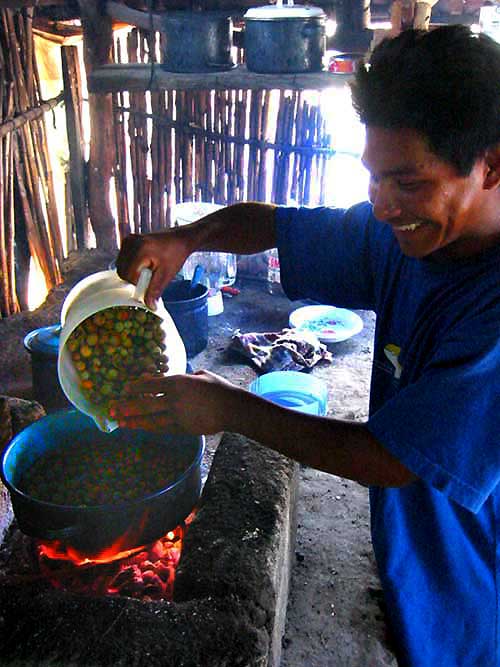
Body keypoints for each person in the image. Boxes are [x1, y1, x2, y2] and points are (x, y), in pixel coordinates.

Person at [113, 25, 500, 667]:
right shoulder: (411, 236)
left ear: (492, 164)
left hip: (476, 587)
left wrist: (230, 408)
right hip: (421, 552)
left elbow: (390, 458)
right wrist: (187, 236)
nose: (381, 205)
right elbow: (275, 225)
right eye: (372, 177)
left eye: (406, 182)